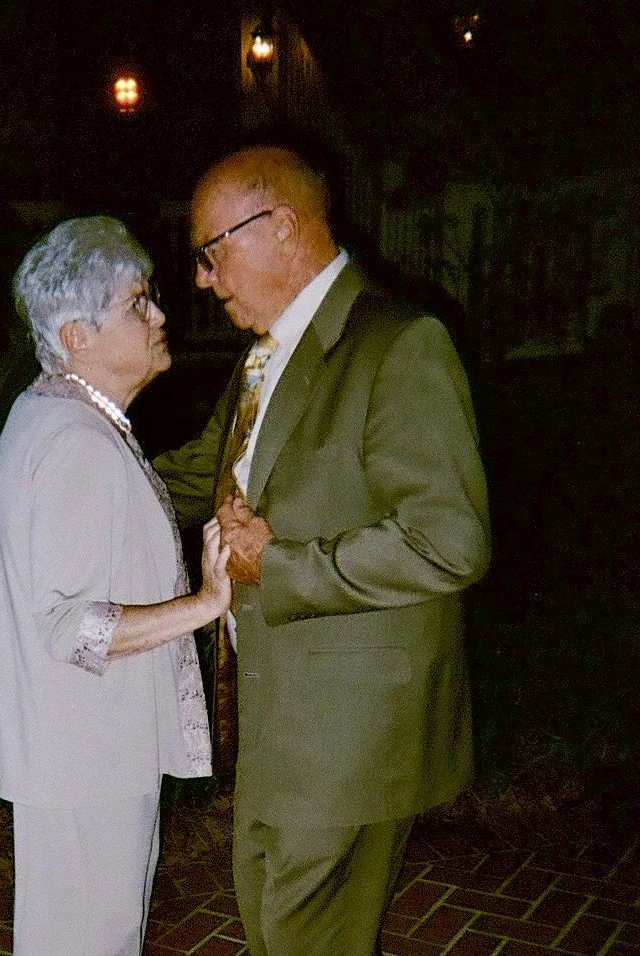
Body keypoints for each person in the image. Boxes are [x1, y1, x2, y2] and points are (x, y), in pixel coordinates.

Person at [153, 146, 491, 956]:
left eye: (210, 251)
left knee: (300, 934)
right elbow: (203, 471)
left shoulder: (400, 345)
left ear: (281, 226)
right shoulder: (267, 354)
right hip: (274, 714)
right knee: (273, 924)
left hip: (351, 726)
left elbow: (451, 540)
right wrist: (81, 467)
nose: (201, 278)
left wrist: (283, 565)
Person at [0, 216, 231, 956]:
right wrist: (205, 605)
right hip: (88, 757)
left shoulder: (54, 416)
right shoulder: (74, 443)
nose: (159, 316)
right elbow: (70, 625)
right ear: (78, 336)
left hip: (72, 754)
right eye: (137, 303)